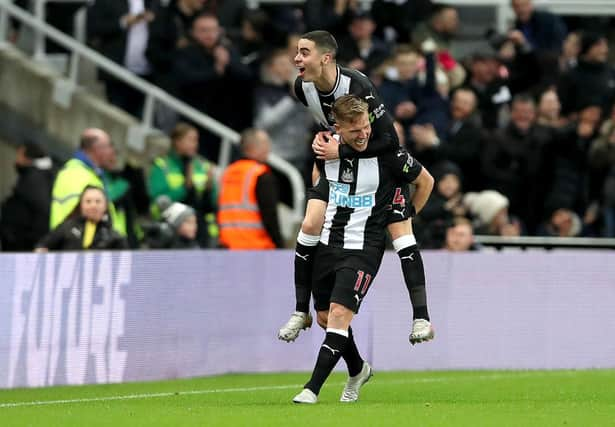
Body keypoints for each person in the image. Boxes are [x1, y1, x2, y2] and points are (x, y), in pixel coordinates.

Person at [278, 30, 435, 345]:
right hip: (339, 166)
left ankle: (421, 318)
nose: (297, 58)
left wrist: (343, 150)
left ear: (326, 58)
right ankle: (301, 310)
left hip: (378, 168)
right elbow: (328, 127)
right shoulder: (301, 87)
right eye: (297, 51)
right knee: (309, 223)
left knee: (403, 238)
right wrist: (325, 144)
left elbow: (389, 141)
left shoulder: (358, 86)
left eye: (304, 52)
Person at [292, 95, 433, 404]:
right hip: (331, 243)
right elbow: (319, 180)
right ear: (338, 127)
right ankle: (358, 369)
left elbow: (425, 181)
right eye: (354, 129)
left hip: (365, 248)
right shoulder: (327, 150)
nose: (363, 133)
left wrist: (405, 214)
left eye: (365, 126)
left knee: (341, 314)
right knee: (326, 318)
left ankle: (311, 389)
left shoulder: (388, 155)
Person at [148, 122, 218, 247]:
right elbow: (157, 199)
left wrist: (210, 188)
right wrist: (185, 187)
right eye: (190, 140)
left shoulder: (202, 166)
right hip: (172, 232)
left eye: (196, 140)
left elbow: (212, 203)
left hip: (200, 231)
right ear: (177, 142)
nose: (195, 145)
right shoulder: (163, 165)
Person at [217, 128, 284, 249]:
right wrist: (280, 246)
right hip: (256, 249)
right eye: (265, 144)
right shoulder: (261, 175)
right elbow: (270, 217)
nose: (268, 149)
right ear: (252, 147)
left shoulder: (227, 173)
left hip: (228, 248)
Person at [50, 128, 123, 235]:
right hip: (76, 247)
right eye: (110, 146)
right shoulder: (75, 174)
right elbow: (80, 218)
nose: (113, 153)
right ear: (97, 149)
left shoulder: (90, 174)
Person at [35, 186, 128, 251]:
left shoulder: (115, 237)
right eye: (88, 201)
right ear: (81, 205)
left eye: (98, 201)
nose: (93, 205)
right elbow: (42, 246)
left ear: (105, 206)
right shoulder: (67, 227)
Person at [0, 142, 55, 251]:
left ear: (29, 158)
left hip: (24, 243)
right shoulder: (33, 176)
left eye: (19, 155)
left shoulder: (35, 178)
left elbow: (41, 209)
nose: (16, 160)